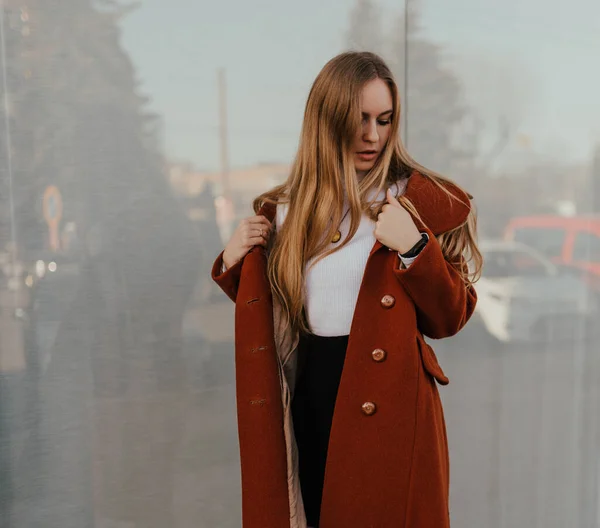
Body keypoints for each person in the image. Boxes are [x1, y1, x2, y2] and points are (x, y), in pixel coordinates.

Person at [211, 51, 482, 528]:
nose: (373, 136)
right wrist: (237, 263)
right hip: (310, 393)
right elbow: (283, 320)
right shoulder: (286, 211)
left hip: (390, 399)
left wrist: (416, 249)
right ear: (326, 118)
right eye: (358, 120)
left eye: (384, 119)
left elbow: (449, 317)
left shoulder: (418, 201)